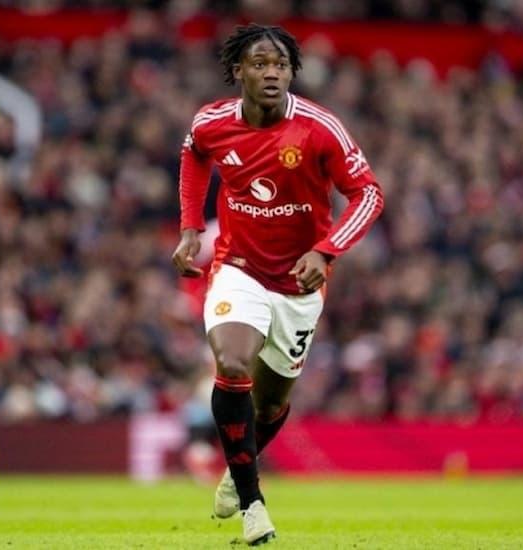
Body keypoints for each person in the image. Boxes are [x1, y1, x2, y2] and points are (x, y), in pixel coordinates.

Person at [172, 23, 384, 545]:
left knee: (268, 406)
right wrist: (190, 228)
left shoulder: (319, 128)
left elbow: (369, 194)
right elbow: (194, 154)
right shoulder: (212, 123)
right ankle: (253, 504)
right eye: (261, 63)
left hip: (299, 285)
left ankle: (237, 468)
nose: (272, 73)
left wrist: (326, 249)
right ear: (238, 71)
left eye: (281, 65)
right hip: (238, 268)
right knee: (232, 364)